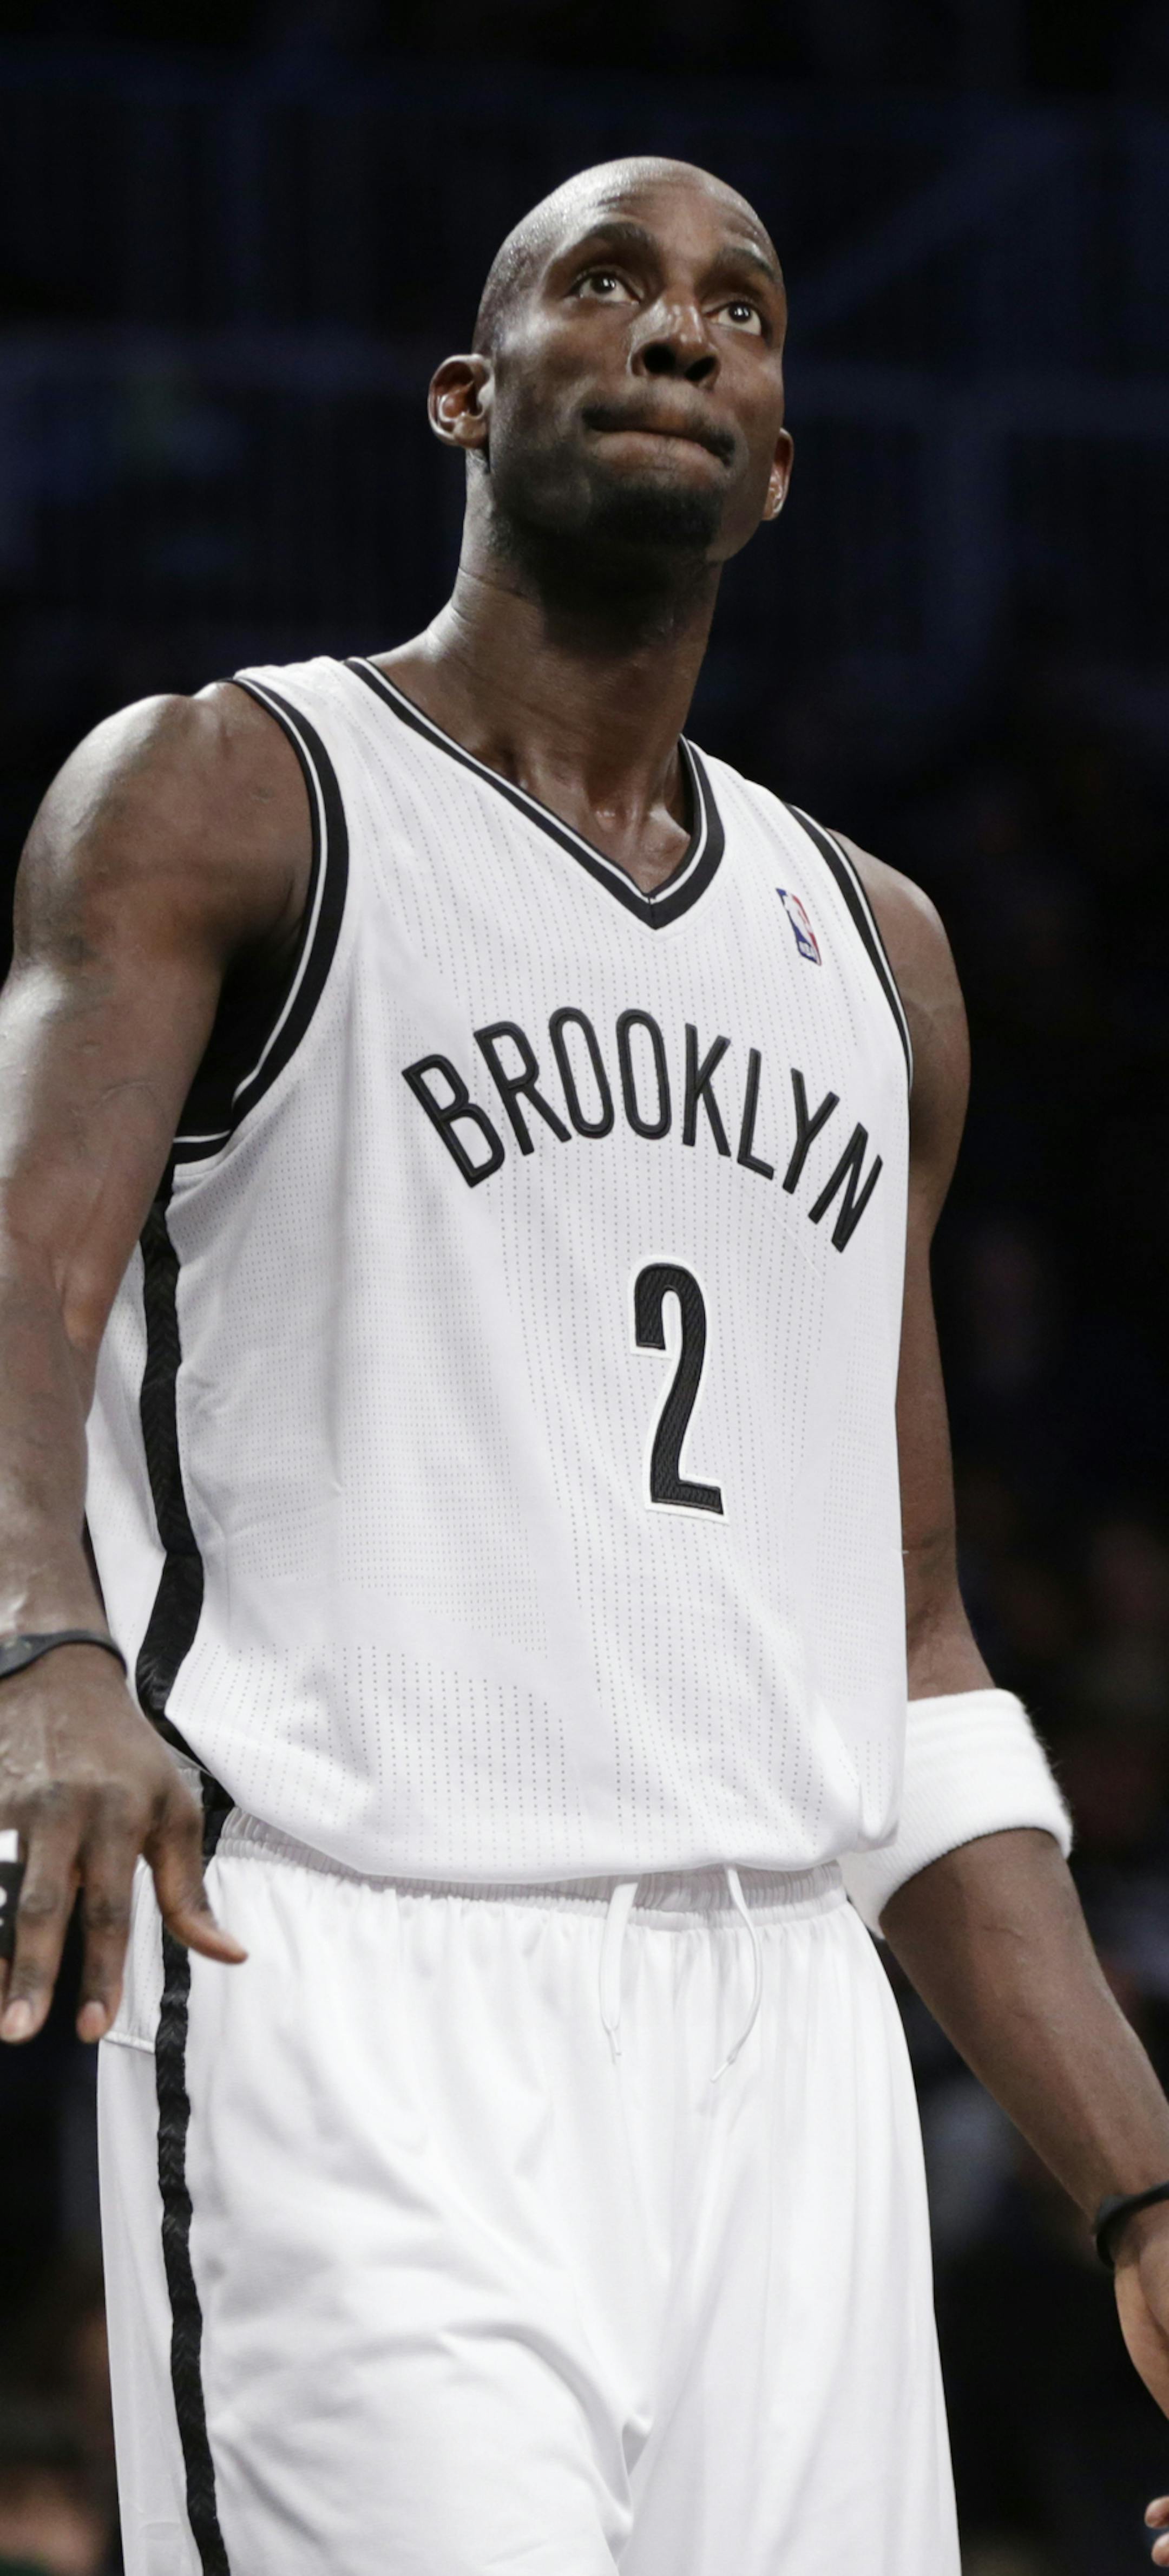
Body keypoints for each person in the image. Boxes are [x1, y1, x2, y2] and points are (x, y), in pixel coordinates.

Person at [1, 153, 1168, 2576]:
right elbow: (20, 1282)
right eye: (607, 284)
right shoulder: (227, 789)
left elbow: (915, 1644)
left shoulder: (884, 953)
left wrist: (1143, 2188)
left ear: (779, 456)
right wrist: (44, 1640)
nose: (682, 329)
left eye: (742, 309)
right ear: (466, 392)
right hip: (352, 1967)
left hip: (787, 2038)